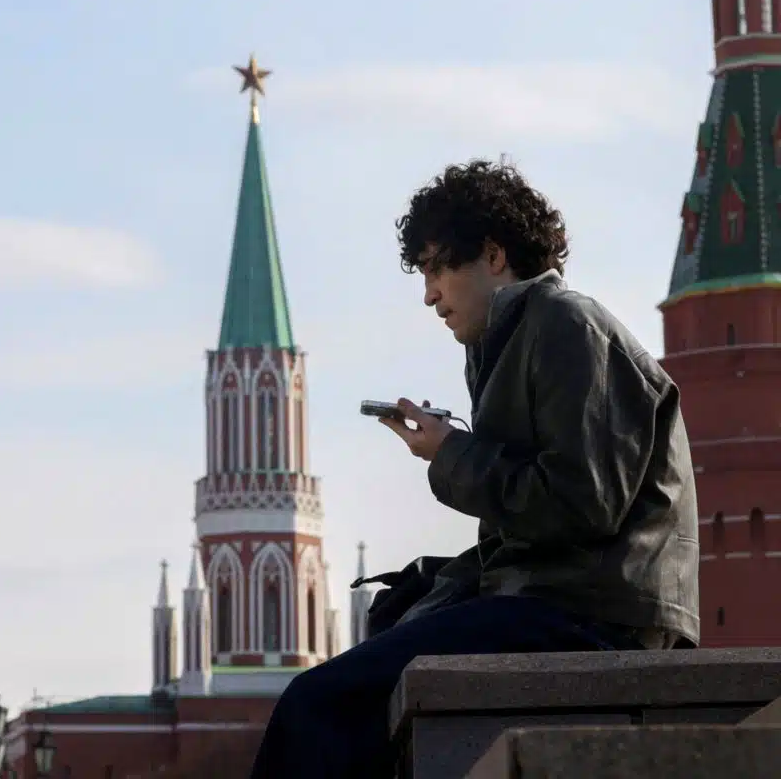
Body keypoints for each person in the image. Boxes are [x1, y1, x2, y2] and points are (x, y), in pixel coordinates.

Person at [248, 158, 699, 779]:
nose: (429, 294)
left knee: (317, 705)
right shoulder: (511, 339)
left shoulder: (568, 325)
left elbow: (582, 504)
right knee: (389, 628)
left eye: (437, 268)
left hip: (598, 615)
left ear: (492, 254)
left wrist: (449, 454)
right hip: (563, 601)